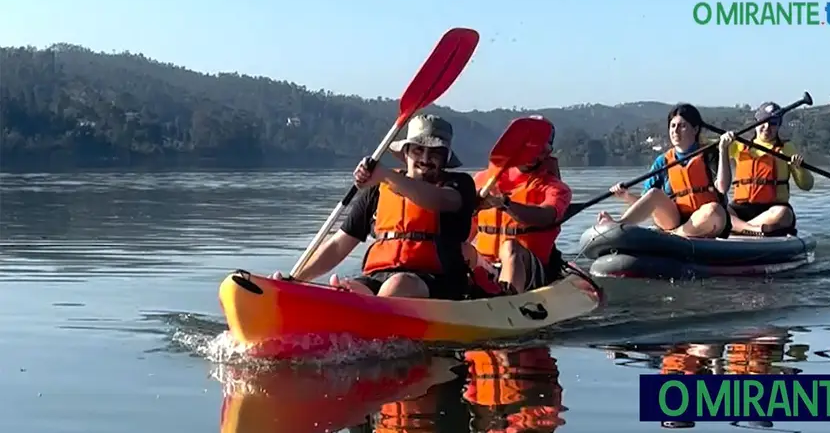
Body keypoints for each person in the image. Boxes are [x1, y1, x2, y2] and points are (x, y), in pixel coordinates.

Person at [271, 114, 477, 299]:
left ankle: (375, 318)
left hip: (440, 281)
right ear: (406, 153)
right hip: (379, 278)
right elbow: (338, 245)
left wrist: (385, 174)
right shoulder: (378, 190)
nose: (425, 159)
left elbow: (435, 200)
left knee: (398, 285)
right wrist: (295, 279)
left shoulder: (459, 185)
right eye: (418, 150)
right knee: (346, 290)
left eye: (435, 153)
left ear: (445, 158)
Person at [465, 116, 572, 295]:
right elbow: (467, 231)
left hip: (532, 269)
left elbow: (546, 216)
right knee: (460, 247)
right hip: (487, 265)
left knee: (510, 247)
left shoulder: (556, 188)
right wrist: (469, 208)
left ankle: (508, 298)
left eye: (541, 150)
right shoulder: (483, 180)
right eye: (528, 148)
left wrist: (505, 204)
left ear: (548, 152)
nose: (534, 155)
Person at [594, 103, 732, 238]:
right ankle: (619, 226)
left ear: (695, 130)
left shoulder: (710, 154)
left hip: (708, 220)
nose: (675, 131)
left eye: (682, 126)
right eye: (673, 126)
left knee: (713, 209)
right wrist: (626, 196)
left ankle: (676, 235)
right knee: (654, 193)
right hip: (674, 219)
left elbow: (722, 187)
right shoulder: (663, 161)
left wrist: (723, 150)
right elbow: (647, 202)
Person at [723, 101, 814, 237]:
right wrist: (723, 141)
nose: (767, 127)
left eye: (773, 124)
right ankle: (751, 229)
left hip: (772, 210)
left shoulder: (786, 148)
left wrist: (799, 169)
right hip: (740, 209)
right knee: (719, 209)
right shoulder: (738, 145)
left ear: (778, 126)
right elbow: (707, 146)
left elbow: (806, 186)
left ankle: (737, 228)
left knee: (784, 214)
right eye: (763, 122)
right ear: (756, 123)